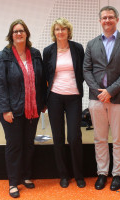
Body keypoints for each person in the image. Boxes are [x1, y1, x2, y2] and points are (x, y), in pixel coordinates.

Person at [83, 6, 120, 191]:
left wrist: (110, 91)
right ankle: (102, 173)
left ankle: (118, 174)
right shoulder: (91, 44)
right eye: (104, 17)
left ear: (117, 19)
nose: (107, 20)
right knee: (100, 138)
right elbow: (86, 70)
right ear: (100, 21)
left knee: (119, 138)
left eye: (111, 17)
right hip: (96, 98)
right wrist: (99, 92)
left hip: (119, 98)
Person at [0, 19, 46, 198]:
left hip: (32, 110)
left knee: (28, 144)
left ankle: (26, 176)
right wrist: (5, 109)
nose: (19, 34)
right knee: (14, 146)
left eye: (21, 30)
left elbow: (41, 81)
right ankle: (13, 182)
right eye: (15, 31)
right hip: (12, 110)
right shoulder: (3, 56)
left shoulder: (36, 54)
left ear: (26, 33)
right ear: (11, 35)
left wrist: (43, 102)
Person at [43, 18, 85, 188]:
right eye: (57, 29)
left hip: (74, 97)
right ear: (54, 32)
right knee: (58, 137)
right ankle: (63, 175)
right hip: (54, 97)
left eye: (63, 29)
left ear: (68, 31)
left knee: (74, 137)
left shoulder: (77, 48)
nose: (60, 32)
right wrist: (42, 101)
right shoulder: (48, 51)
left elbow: (83, 70)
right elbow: (44, 76)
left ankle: (79, 175)